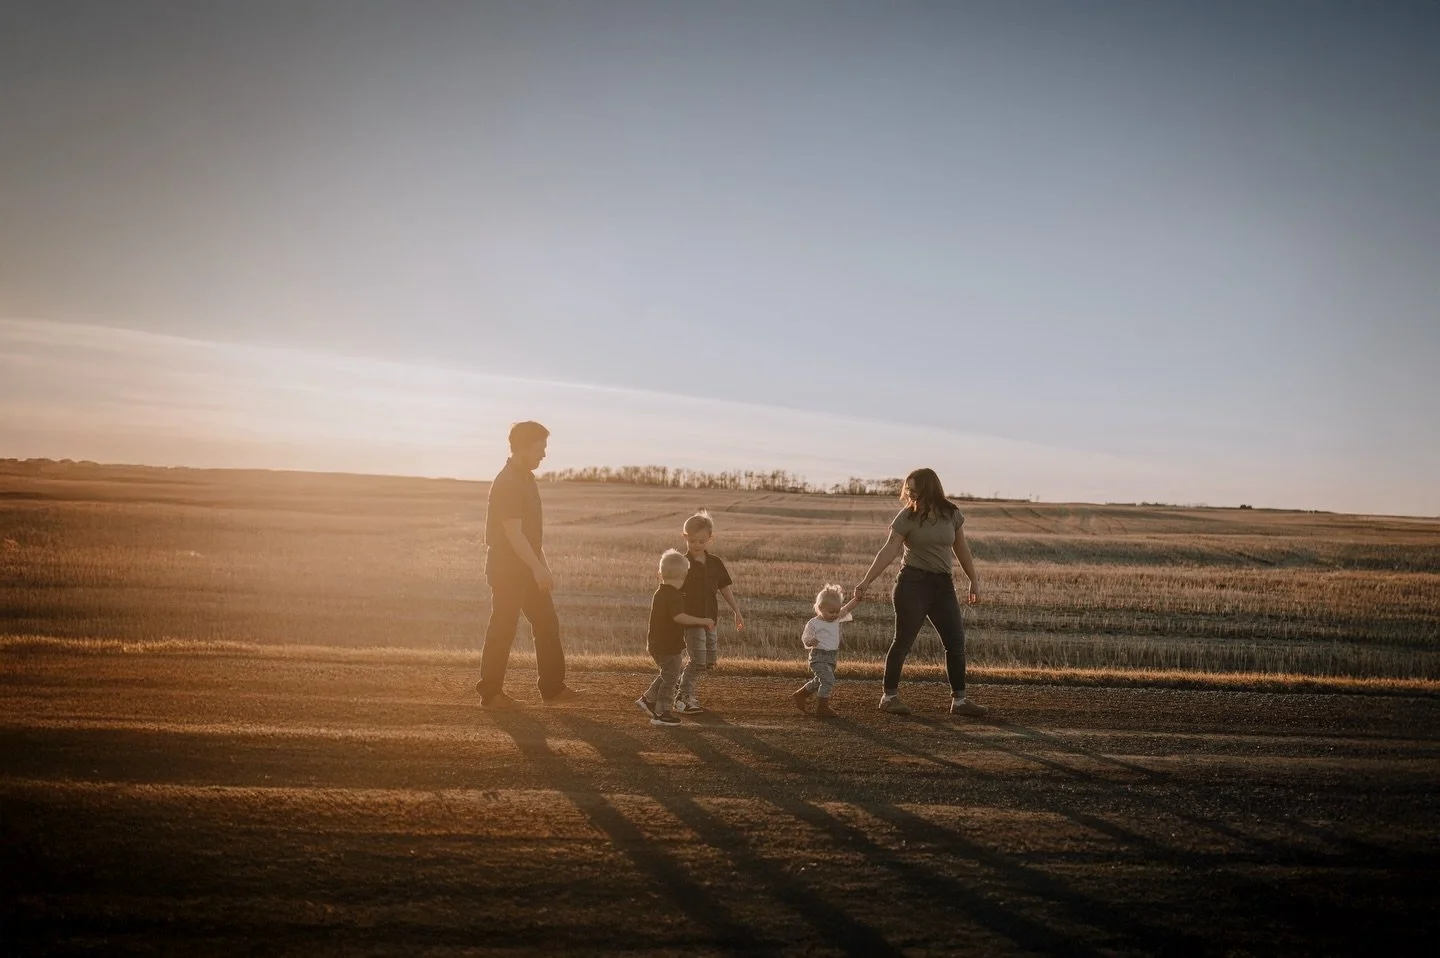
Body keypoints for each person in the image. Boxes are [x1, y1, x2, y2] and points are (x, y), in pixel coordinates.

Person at [854, 468, 987, 717]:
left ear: (929, 488)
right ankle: (889, 697)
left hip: (943, 586)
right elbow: (889, 549)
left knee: (956, 643)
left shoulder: (952, 514)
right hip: (912, 584)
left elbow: (961, 547)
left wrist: (974, 580)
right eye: (908, 489)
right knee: (903, 642)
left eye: (915, 489)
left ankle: (960, 702)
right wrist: (866, 581)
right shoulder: (907, 516)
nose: (910, 493)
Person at [474, 421, 584, 710]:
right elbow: (513, 533)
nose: (544, 455)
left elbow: (532, 537)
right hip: (508, 568)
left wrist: (541, 566)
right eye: (541, 448)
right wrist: (537, 568)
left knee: (547, 623)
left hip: (527, 563)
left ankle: (552, 688)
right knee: (503, 627)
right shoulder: (508, 481)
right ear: (524, 446)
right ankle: (491, 693)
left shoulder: (526, 479)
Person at [674, 509, 745, 714]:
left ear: (710, 539)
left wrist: (736, 611)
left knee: (708, 662)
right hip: (691, 621)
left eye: (701, 541)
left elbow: (724, 588)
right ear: (685, 538)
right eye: (692, 541)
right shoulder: (682, 564)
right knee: (698, 660)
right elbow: (672, 591)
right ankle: (683, 698)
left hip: (710, 620)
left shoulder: (715, 563)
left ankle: (678, 684)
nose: (697, 545)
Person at [637, 549, 716, 726]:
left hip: (657, 644)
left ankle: (648, 698)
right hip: (668, 645)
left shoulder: (661, 592)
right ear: (684, 575)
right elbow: (679, 617)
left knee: (668, 673)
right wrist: (703, 620)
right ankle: (661, 712)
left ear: (660, 574)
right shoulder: (673, 595)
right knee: (671, 678)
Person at [792, 583, 861, 718]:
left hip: (831, 657)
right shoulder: (814, 623)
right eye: (831, 612)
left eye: (837, 611)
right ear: (820, 608)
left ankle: (800, 695)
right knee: (828, 680)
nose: (835, 614)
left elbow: (847, 608)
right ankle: (822, 708)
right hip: (818, 657)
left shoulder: (836, 618)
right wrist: (810, 641)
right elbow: (805, 636)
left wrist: (857, 599)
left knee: (820, 680)